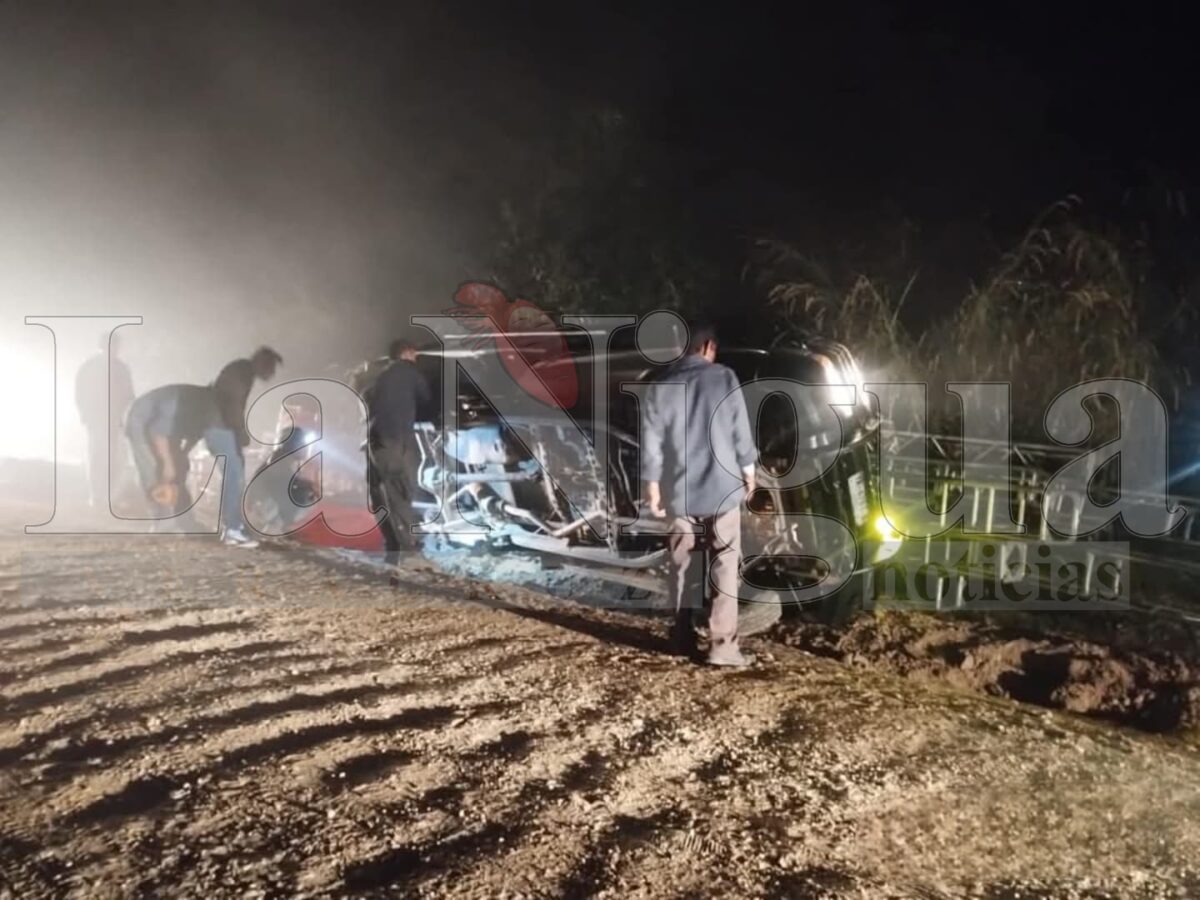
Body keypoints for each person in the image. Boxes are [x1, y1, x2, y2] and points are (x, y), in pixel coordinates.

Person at [640, 320, 758, 667]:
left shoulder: (660, 386)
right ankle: (722, 647)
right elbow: (740, 431)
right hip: (722, 491)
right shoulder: (723, 378)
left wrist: (652, 489)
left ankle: (680, 638)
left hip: (679, 493)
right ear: (708, 347)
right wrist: (749, 472)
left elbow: (652, 446)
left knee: (681, 566)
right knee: (724, 565)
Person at [125, 383, 258, 547]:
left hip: (166, 430)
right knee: (153, 470)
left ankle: (186, 524)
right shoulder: (181, 402)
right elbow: (158, 433)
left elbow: (193, 435)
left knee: (178, 467)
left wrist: (181, 456)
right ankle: (163, 522)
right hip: (141, 423)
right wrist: (168, 464)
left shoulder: (209, 412)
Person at [364, 338, 431, 569]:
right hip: (395, 441)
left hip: (373, 442)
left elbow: (367, 397)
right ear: (408, 353)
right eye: (415, 353)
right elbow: (426, 399)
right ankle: (409, 552)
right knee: (400, 493)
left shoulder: (379, 375)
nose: (417, 357)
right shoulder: (409, 373)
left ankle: (392, 549)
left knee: (379, 496)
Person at [210, 346, 283, 542]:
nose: (272, 373)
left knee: (234, 474)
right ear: (262, 363)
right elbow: (232, 403)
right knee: (234, 474)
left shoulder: (243, 371)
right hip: (219, 426)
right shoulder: (241, 371)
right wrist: (240, 432)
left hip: (220, 425)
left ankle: (234, 523)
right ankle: (232, 527)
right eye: (271, 368)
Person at [75, 333, 135, 510]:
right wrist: (85, 415)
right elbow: (80, 393)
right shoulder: (89, 367)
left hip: (116, 420)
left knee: (117, 458)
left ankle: (111, 496)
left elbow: (129, 394)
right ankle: (98, 496)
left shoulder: (121, 368)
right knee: (98, 457)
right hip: (98, 419)